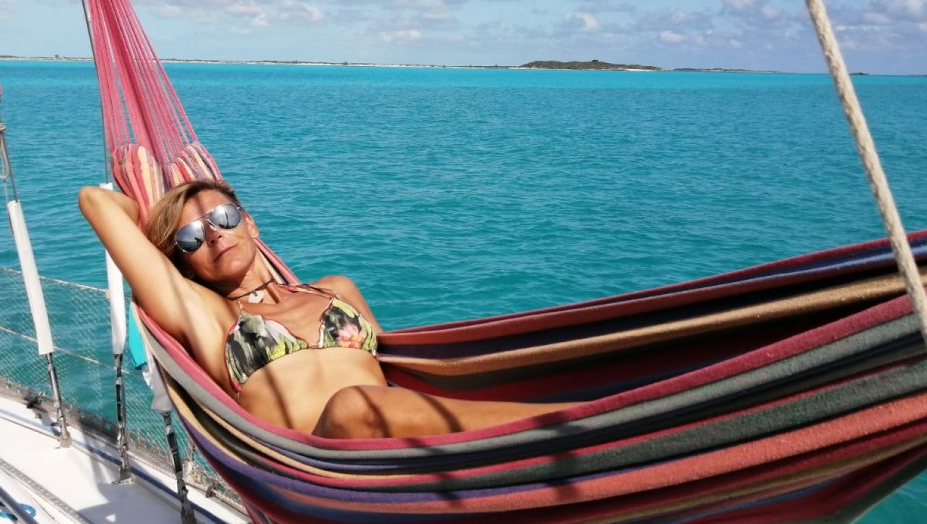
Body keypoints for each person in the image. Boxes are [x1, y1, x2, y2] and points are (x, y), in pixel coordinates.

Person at [79, 180, 578, 438]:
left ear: (251, 225)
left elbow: (403, 371)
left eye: (222, 217)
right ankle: (579, 424)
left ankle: (578, 419)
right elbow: (96, 203)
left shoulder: (335, 288)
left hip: (404, 444)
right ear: (183, 264)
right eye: (190, 237)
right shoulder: (206, 315)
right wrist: (148, 204)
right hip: (325, 469)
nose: (212, 233)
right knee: (352, 405)